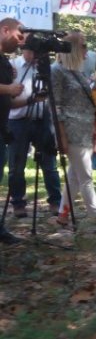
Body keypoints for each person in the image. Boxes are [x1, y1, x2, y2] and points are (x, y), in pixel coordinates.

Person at [50, 31, 96, 226]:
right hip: (71, 130)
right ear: (72, 48)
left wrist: (95, 86)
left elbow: (83, 99)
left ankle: (63, 215)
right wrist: (61, 135)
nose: (86, 51)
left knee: (75, 176)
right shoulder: (56, 70)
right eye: (83, 46)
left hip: (85, 128)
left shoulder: (77, 71)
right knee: (86, 176)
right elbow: (55, 106)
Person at [8, 49, 61, 218]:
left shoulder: (46, 68)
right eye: (31, 48)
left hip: (42, 119)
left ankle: (55, 201)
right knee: (16, 166)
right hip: (18, 120)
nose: (35, 53)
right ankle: (18, 202)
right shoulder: (12, 66)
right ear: (24, 48)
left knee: (50, 164)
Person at [0, 17, 25, 244]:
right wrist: (9, 88)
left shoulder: (5, 63)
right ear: (5, 30)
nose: (20, 42)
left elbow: (7, 100)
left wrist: (29, 100)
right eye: (18, 36)